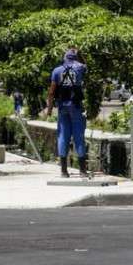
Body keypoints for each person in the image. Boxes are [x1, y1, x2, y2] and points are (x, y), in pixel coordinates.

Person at [46, 48, 89, 178]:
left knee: (63, 136)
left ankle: (64, 171)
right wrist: (80, 53)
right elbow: (85, 65)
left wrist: (49, 109)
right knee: (79, 136)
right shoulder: (80, 67)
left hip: (62, 107)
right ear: (75, 58)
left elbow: (52, 92)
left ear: (64, 58)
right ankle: (82, 171)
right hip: (76, 106)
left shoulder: (57, 70)